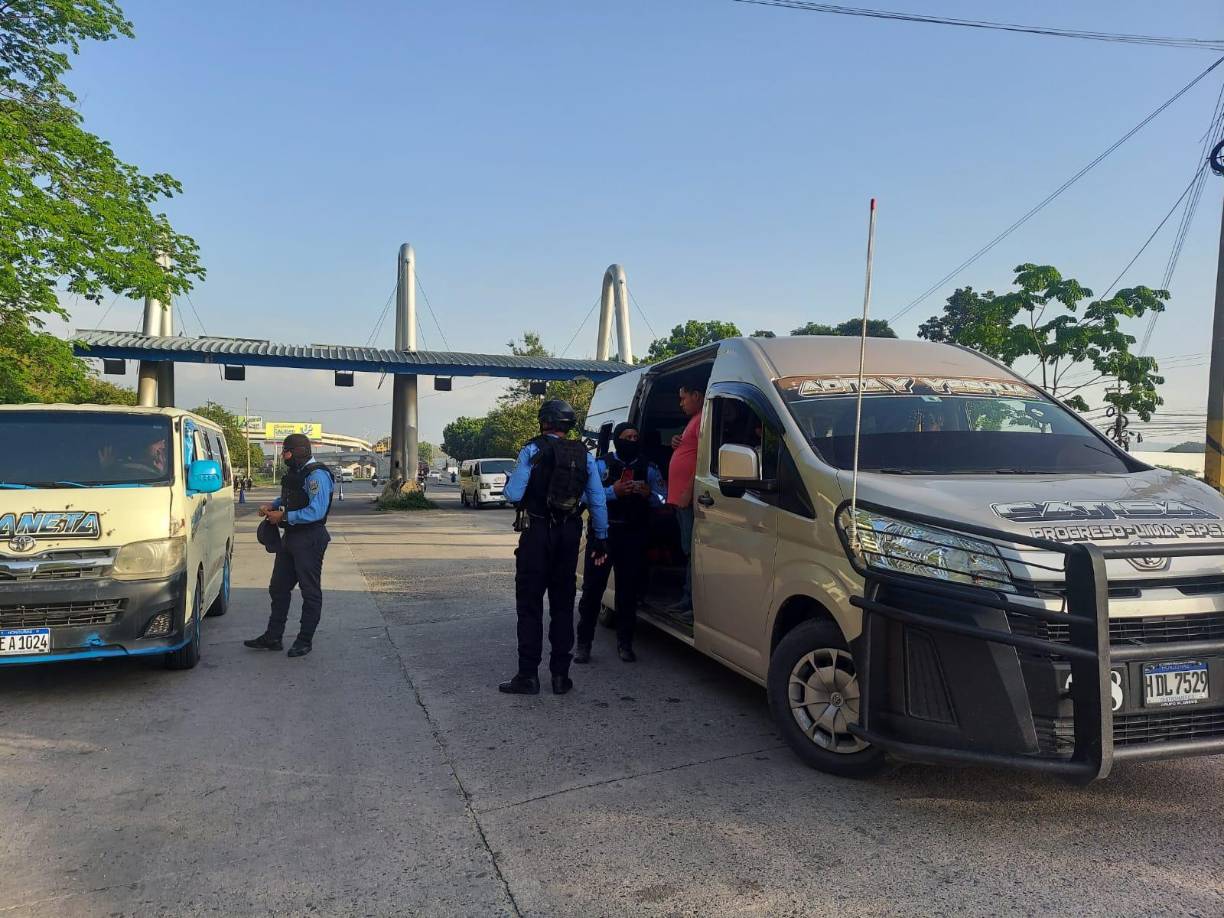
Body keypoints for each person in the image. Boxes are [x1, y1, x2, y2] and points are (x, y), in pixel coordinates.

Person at [500, 399, 609, 696]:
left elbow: (513, 494)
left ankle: (528, 676)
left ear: (544, 421)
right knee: (562, 605)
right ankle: (561, 677)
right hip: (569, 534)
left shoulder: (532, 450)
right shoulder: (584, 455)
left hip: (536, 533)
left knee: (530, 606)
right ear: (568, 425)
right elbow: (597, 500)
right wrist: (601, 537)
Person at [575, 422, 665, 664]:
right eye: (627, 437)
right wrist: (613, 492)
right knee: (593, 591)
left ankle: (625, 644)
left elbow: (663, 498)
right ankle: (583, 645)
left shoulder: (648, 467)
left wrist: (649, 494)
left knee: (628, 593)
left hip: (633, 537)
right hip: (603, 537)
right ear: (617, 439)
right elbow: (584, 496)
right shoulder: (600, 465)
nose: (632, 441)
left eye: (636, 437)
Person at [244, 433, 335, 658]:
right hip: (291, 537)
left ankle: (304, 640)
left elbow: (316, 511)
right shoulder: (298, 473)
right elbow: (289, 497)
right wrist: (272, 506)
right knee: (278, 587)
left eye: (286, 452)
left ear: (298, 452)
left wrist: (283, 517)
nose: (284, 456)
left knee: (309, 591)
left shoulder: (317, 475)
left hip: (310, 538)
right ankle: (273, 636)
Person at [666, 384, 704, 623]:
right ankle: (686, 598)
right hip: (680, 499)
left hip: (688, 499)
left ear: (696, 395)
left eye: (683, 398)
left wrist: (687, 491)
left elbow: (702, 459)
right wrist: (676, 442)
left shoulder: (702, 419)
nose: (680, 403)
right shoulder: (694, 420)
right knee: (686, 550)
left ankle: (691, 602)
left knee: (692, 551)